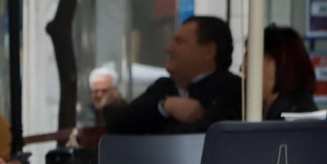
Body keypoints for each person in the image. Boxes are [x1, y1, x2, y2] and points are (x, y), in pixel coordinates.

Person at [101, 16, 241, 135]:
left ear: (209, 51)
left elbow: (209, 134)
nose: (169, 49)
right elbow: (116, 123)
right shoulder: (164, 87)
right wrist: (164, 107)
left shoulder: (233, 90)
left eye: (179, 42)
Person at [261, 25, 318, 119]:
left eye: (249, 55)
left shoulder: (293, 118)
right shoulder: (282, 111)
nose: (242, 68)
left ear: (276, 63)